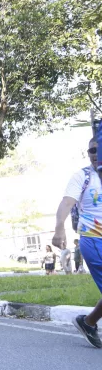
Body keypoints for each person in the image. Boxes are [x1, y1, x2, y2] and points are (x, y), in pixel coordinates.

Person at [52, 136, 102, 348]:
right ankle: (88, 322)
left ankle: (88, 322)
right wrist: (59, 228)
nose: (96, 154)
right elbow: (66, 203)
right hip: (93, 240)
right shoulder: (83, 176)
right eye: (92, 151)